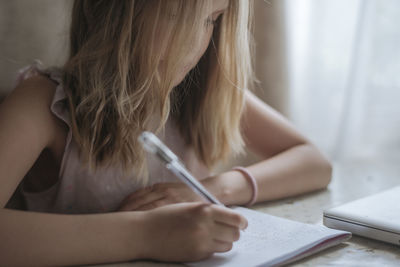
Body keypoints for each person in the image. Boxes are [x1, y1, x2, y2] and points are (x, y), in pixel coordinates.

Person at [0, 0, 332, 266]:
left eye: (211, 20)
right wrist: (146, 235)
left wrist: (209, 190)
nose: (193, 45)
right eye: (175, 15)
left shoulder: (202, 91)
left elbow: (314, 162)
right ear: (112, 11)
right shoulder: (44, 103)